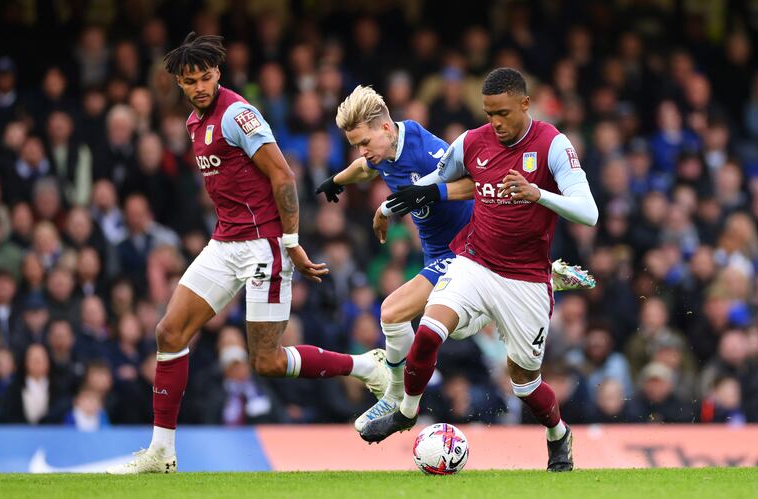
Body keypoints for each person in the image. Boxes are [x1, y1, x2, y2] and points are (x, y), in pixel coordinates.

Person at [107, 33, 389, 474]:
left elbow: (282, 176)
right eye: (189, 81)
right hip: (224, 243)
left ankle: (365, 366)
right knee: (169, 333)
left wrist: (291, 243)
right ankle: (161, 452)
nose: (199, 87)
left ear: (218, 73)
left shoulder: (238, 114)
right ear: (178, 84)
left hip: (265, 245)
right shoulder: (192, 123)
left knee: (268, 362)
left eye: (205, 77)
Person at [359, 68, 599, 472]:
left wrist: (537, 193)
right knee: (429, 330)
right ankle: (407, 411)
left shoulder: (552, 144)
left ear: (525, 104)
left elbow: (589, 212)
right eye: (489, 114)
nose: (496, 123)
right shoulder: (473, 141)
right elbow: (440, 176)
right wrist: (392, 203)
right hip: (474, 263)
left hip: (524, 281)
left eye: (503, 113)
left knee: (525, 384)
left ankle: (559, 433)